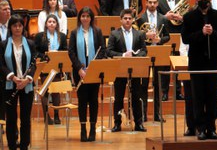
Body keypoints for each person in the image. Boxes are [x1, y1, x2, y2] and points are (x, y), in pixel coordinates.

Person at [181, 0, 217, 140]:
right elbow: (185, 39)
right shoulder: (189, 17)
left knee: (212, 96)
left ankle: (211, 128)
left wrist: (213, 33)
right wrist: (201, 33)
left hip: (214, 63)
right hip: (196, 64)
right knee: (198, 97)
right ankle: (200, 128)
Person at [0, 14, 36, 150]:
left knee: (26, 119)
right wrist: (13, 78)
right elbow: (1, 65)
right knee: (11, 119)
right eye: (14, 25)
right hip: (10, 85)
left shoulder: (30, 43)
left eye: (20, 25)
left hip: (26, 85)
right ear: (11, 27)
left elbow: (33, 64)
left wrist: (27, 79)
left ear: (23, 27)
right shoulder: (3, 44)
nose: (17, 28)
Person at [68, 7, 106, 142]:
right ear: (79, 18)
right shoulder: (74, 33)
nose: (85, 18)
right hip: (80, 72)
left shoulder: (97, 31)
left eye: (87, 16)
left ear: (91, 18)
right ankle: (83, 129)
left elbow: (102, 50)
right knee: (82, 100)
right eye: (83, 16)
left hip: (93, 71)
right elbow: (71, 52)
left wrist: (94, 66)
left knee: (93, 100)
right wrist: (79, 69)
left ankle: (92, 129)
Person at [107, 9, 147, 132]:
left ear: (133, 20)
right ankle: (117, 124)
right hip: (120, 69)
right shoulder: (114, 34)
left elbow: (144, 51)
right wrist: (124, 55)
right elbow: (109, 51)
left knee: (136, 96)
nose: (128, 20)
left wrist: (134, 56)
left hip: (135, 69)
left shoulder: (139, 34)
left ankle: (138, 123)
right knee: (118, 97)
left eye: (130, 18)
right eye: (125, 18)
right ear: (121, 19)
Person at [137, 0, 170, 121]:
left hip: (159, 53)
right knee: (143, 85)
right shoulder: (140, 19)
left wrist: (159, 39)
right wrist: (146, 36)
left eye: (154, 2)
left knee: (158, 85)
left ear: (157, 3)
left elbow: (168, 36)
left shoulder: (163, 18)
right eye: (149, 2)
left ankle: (157, 114)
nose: (152, 5)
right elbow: (137, 37)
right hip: (145, 53)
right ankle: (143, 114)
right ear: (146, 3)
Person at [34, 15, 68, 125]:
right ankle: (46, 116)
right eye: (49, 21)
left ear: (57, 24)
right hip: (45, 66)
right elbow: (35, 51)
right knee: (45, 92)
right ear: (46, 24)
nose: (52, 23)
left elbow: (65, 50)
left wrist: (58, 55)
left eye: (54, 22)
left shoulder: (62, 36)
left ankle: (57, 115)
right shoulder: (39, 36)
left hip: (57, 66)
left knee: (56, 92)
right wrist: (44, 56)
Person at [156, 0, 184, 101]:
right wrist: (165, 17)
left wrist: (180, 17)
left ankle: (178, 92)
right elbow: (156, 18)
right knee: (165, 65)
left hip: (179, 35)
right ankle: (164, 92)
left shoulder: (180, 0)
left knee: (177, 65)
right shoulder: (160, 2)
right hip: (166, 36)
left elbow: (187, 16)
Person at [179, 37, 196, 136]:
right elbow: (182, 49)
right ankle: (191, 127)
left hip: (201, 67)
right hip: (188, 67)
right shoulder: (185, 30)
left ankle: (202, 126)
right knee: (189, 99)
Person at [0, 0, 11, 122]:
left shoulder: (13, 26)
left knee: (9, 103)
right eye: (5, 9)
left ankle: (13, 131)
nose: (8, 11)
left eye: (9, 9)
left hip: (10, 69)